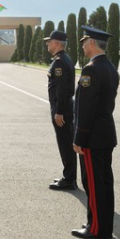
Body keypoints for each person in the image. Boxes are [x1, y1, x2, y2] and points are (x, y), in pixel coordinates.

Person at [72, 26, 119, 239]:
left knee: (93, 183)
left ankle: (96, 228)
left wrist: (79, 138)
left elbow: (86, 108)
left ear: (92, 43)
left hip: (91, 137)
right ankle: (102, 224)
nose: (82, 46)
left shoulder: (90, 70)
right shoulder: (110, 67)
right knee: (105, 182)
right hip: (105, 133)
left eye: (84, 41)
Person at [44, 30, 77, 190]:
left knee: (65, 144)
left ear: (57, 43)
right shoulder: (64, 59)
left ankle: (69, 179)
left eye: (49, 41)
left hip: (62, 110)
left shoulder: (59, 63)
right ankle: (69, 176)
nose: (47, 44)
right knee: (66, 143)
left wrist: (59, 112)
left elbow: (62, 90)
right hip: (63, 108)